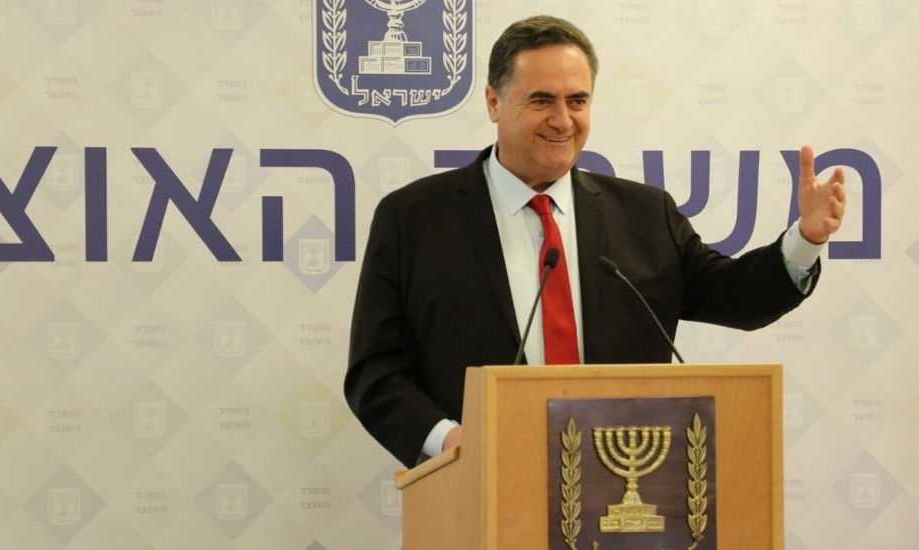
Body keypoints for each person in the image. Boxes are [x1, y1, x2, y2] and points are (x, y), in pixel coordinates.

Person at [344, 15, 847, 468]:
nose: (563, 120)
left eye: (577, 101)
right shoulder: (414, 219)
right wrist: (452, 441)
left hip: (630, 480)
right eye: (542, 100)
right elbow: (376, 373)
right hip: (482, 482)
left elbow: (737, 298)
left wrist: (805, 239)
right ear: (494, 102)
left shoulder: (644, 215)